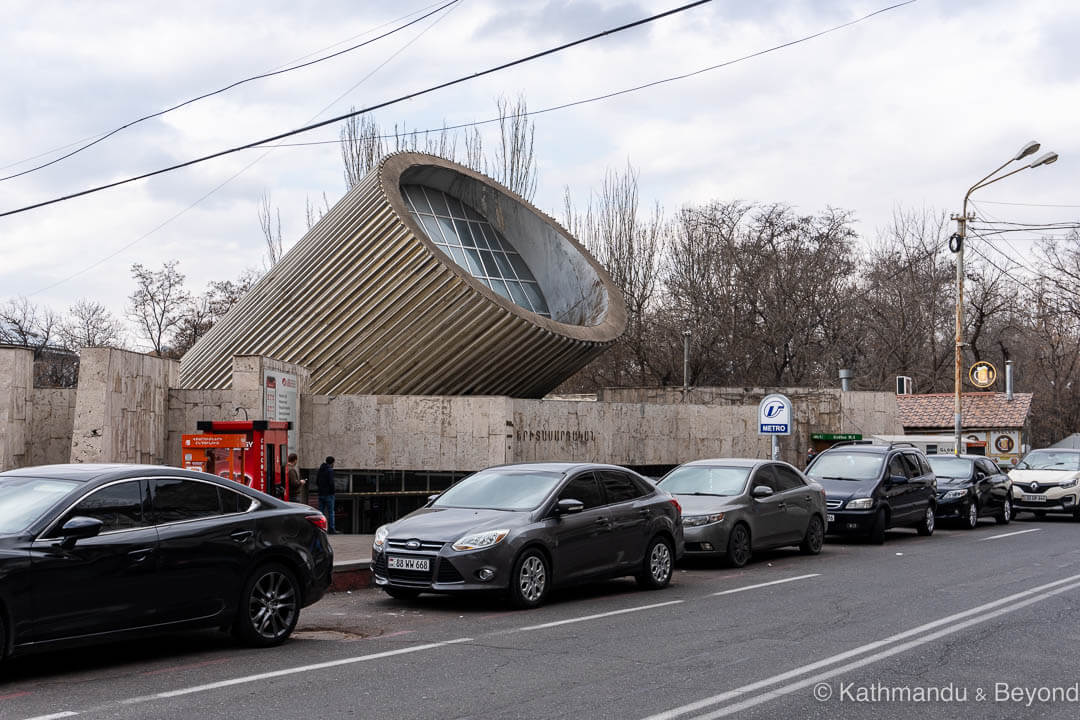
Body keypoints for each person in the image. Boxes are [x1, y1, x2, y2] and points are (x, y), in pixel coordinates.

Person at [316, 456, 337, 534]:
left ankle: (320, 529)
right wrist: (332, 492)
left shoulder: (320, 470)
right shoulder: (330, 470)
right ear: (332, 463)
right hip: (329, 494)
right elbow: (331, 483)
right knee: (331, 512)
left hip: (321, 493)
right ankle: (331, 529)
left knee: (321, 512)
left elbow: (317, 481)